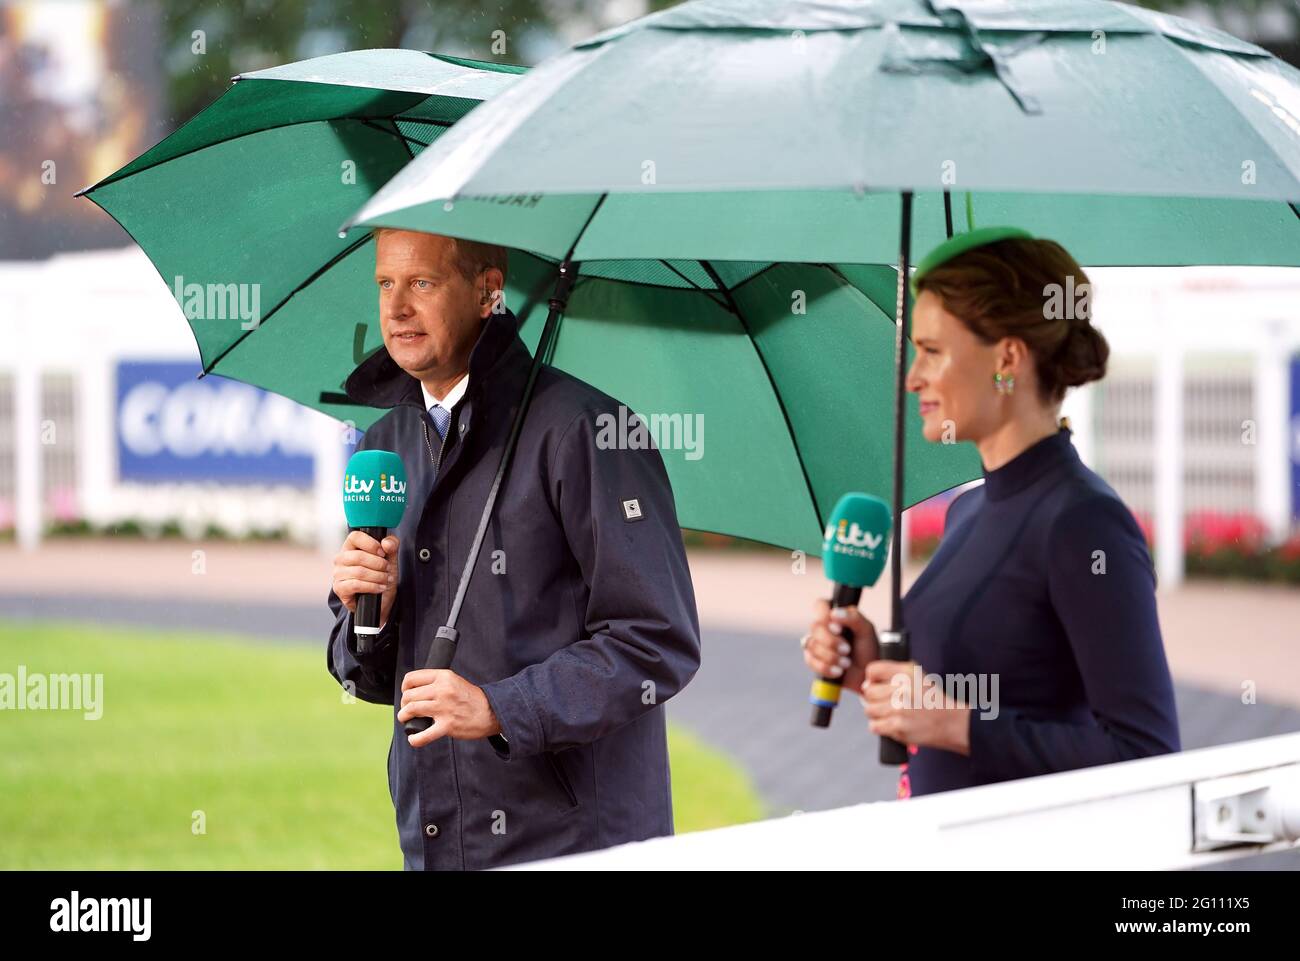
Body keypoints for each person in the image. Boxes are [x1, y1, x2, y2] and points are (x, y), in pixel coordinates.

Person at [327, 228, 701, 869]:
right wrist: (373, 617)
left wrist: (500, 707)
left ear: (487, 294)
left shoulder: (589, 431)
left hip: (576, 845)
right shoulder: (385, 442)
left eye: (422, 282)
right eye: (386, 284)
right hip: (438, 840)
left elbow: (655, 640)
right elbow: (367, 675)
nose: (396, 309)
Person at [802, 227, 1180, 797]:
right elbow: (999, 683)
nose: (912, 378)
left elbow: (1146, 753)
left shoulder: (1083, 523)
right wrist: (873, 667)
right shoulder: (971, 509)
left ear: (1007, 357)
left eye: (931, 351)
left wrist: (955, 725)